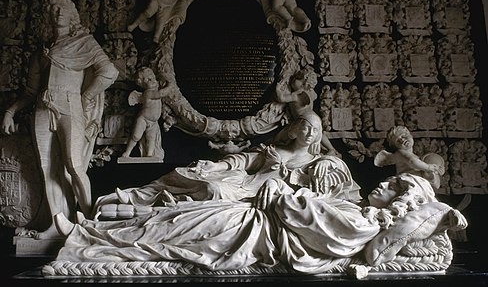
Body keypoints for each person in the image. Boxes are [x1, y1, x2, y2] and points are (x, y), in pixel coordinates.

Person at [51, 161, 466, 274]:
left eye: (395, 190)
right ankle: (87, 231)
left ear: (401, 206)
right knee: (176, 218)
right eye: (391, 183)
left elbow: (307, 217)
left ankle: (84, 242)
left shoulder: (363, 225)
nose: (383, 186)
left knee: (171, 232)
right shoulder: (357, 209)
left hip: (255, 233)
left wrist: (285, 193)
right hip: (253, 218)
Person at [1, 0, 118, 239]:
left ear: (73, 14)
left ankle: (89, 223)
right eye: (53, 9)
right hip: (43, 109)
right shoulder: (42, 52)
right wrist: (10, 111)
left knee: (74, 166)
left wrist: (86, 97)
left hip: (69, 106)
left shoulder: (84, 43)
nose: (57, 12)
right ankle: (57, 224)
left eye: (62, 8)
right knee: (48, 170)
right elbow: (30, 93)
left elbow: (109, 71)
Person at [94, 112, 361, 216]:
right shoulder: (274, 149)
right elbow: (242, 160)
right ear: (292, 130)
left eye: (316, 128)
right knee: (189, 173)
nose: (311, 132)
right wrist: (216, 167)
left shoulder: (320, 162)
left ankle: (149, 209)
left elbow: (336, 190)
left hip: (256, 195)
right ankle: (134, 197)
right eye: (306, 126)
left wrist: (327, 160)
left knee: (214, 191)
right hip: (243, 182)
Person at [374, 126, 444, 189]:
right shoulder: (401, 153)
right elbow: (412, 161)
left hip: (414, 183)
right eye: (398, 141)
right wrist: (429, 167)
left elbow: (435, 185)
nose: (402, 140)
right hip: (405, 182)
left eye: (404, 136)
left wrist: (435, 170)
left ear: (411, 136)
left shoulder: (416, 157)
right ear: (396, 147)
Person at [121, 67, 169, 159]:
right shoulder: (148, 93)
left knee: (151, 139)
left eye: (152, 77)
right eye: (148, 79)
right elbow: (161, 94)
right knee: (136, 136)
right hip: (143, 119)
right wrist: (170, 85)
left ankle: (149, 155)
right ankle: (127, 152)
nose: (152, 80)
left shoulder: (155, 90)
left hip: (153, 122)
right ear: (142, 84)